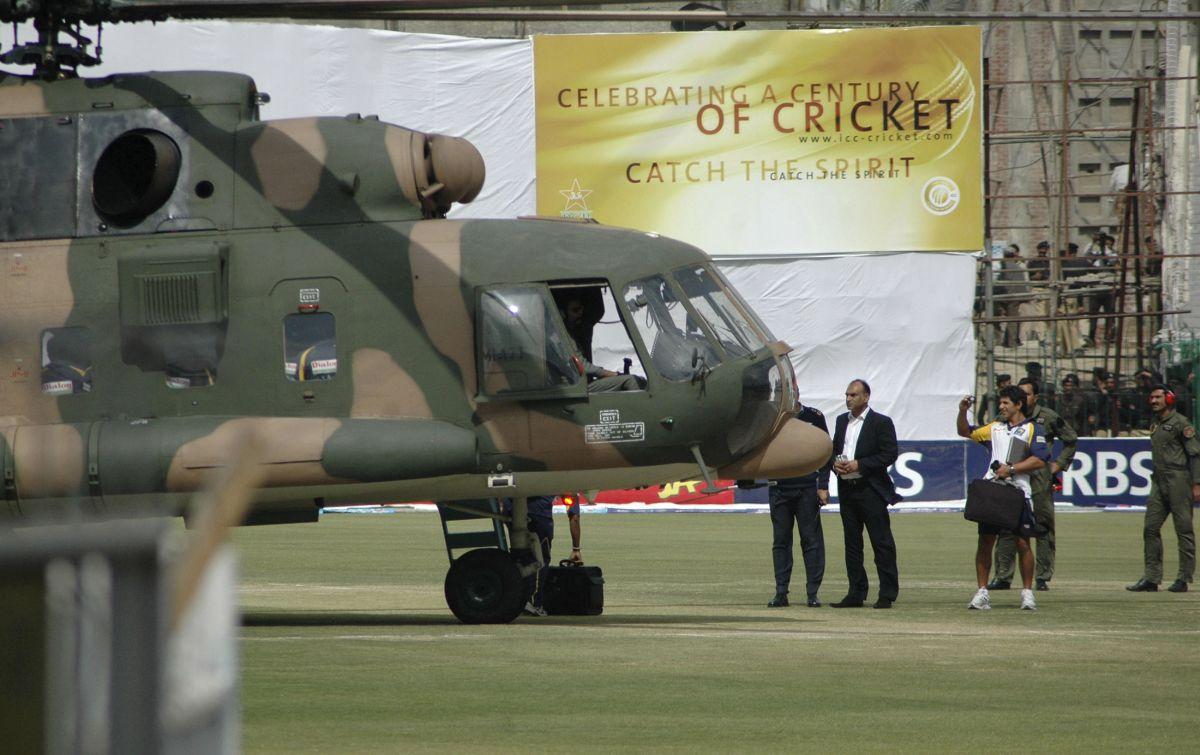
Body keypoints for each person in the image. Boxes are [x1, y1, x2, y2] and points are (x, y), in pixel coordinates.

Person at [957, 385, 1049, 611]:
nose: (1002, 406)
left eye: (1006, 403)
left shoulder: (1033, 429)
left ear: (1019, 405)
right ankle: (982, 592)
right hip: (993, 491)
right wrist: (962, 411)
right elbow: (965, 432)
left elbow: (1041, 459)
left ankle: (1027, 593)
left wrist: (1012, 469)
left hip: (1018, 492)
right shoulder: (994, 428)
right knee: (985, 542)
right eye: (1001, 402)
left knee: (1022, 543)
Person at [988, 378, 1077, 592]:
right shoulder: (1005, 416)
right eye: (1020, 394)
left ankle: (1042, 576)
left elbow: (1071, 438)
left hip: (1039, 478)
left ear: (1035, 397)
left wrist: (1059, 464)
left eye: (1027, 394)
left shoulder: (1047, 417)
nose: (1023, 397)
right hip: (1013, 478)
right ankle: (1003, 576)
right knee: (1007, 527)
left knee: (1043, 525)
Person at [829, 379, 901, 609]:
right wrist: (835, 464)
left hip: (871, 489)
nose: (848, 398)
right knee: (852, 543)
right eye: (847, 394)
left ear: (866, 397)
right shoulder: (842, 421)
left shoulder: (881, 422)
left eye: (853, 395)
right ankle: (856, 592)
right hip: (847, 490)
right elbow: (834, 450)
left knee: (881, 542)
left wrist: (860, 464)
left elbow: (889, 453)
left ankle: (887, 593)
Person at [1126, 386, 1200, 593]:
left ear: (1169, 399)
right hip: (1159, 480)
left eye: (1158, 397)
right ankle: (1151, 577)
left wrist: (1196, 483)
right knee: (1150, 527)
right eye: (1151, 397)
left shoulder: (1181, 423)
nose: (1153, 400)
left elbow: (1195, 454)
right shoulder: (1155, 424)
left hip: (1178, 479)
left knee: (1183, 529)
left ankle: (1184, 578)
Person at [764, 402, 831, 608]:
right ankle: (781, 592)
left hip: (806, 488)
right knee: (781, 542)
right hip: (779, 488)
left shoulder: (814, 416)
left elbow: (826, 451)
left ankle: (813, 593)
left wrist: (823, 484)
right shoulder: (768, 416)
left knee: (811, 541)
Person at [500, 494, 582, 616]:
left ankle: (518, 599)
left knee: (520, 556)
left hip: (514, 514)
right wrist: (576, 548)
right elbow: (574, 517)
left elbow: (503, 498)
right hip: (540, 517)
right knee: (540, 559)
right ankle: (534, 603)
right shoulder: (565, 479)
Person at [558, 294, 641, 392]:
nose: (580, 313)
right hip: (574, 388)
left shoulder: (569, 332)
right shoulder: (561, 335)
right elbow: (583, 366)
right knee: (631, 381)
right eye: (575, 310)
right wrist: (614, 374)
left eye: (581, 309)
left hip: (579, 384)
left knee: (640, 380)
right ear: (563, 313)